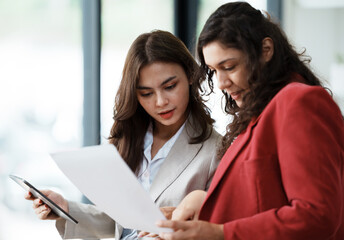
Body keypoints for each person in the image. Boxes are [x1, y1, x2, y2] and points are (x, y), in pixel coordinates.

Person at [156, 2, 344, 240]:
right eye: (214, 70)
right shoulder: (260, 113)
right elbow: (262, 200)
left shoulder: (300, 102)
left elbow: (317, 215)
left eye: (229, 66)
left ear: (266, 50)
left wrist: (219, 232)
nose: (221, 82)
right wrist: (200, 215)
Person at [25, 30, 221, 239]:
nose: (160, 102)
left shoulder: (215, 151)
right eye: (146, 93)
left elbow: (217, 229)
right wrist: (65, 208)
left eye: (170, 86)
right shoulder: (131, 139)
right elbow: (120, 223)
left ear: (190, 75)